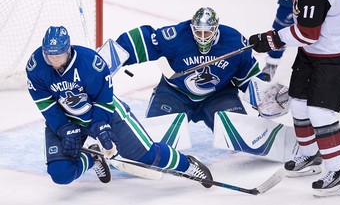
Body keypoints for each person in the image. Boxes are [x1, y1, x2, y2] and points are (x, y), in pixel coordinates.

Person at [26, 25, 213, 187]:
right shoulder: (36, 67)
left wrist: (100, 125)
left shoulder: (91, 64)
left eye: (58, 56)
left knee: (146, 156)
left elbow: (104, 99)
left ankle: (187, 165)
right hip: (65, 118)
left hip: (103, 113)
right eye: (50, 56)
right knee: (60, 174)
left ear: (68, 50)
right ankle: (93, 157)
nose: (54, 61)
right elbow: (45, 104)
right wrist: (64, 128)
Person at [249, 0, 340, 197]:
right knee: (298, 103)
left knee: (321, 112)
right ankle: (311, 155)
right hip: (317, 47)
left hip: (336, 49)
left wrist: (270, 39)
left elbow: (307, 33)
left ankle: (338, 171)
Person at [115, 7, 267, 131]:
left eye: (206, 32)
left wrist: (264, 99)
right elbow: (145, 40)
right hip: (174, 94)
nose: (202, 37)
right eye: (198, 32)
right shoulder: (177, 36)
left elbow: (248, 77)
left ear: (215, 29)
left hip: (219, 96)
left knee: (239, 132)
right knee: (156, 139)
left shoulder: (235, 42)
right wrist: (116, 53)